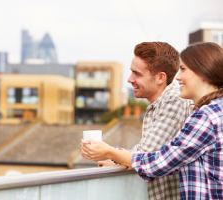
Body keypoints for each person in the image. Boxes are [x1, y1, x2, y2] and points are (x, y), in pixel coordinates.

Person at [80, 42, 223, 200]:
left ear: (203, 71)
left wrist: (110, 153)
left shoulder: (204, 117)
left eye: (183, 69)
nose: (178, 77)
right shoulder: (216, 111)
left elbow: (159, 162)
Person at [98, 41, 191, 200]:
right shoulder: (158, 105)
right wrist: (119, 159)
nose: (129, 79)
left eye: (137, 74)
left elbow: (144, 154)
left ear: (160, 77)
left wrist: (112, 155)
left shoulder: (175, 101)